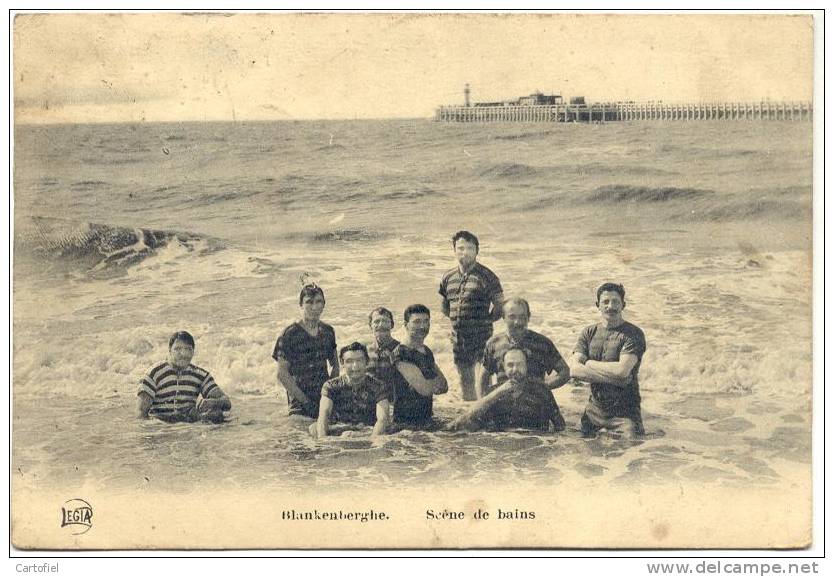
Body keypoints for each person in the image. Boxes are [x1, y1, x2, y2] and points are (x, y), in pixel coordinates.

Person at [568, 282, 647, 438]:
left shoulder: (633, 334)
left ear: (623, 304)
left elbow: (622, 371)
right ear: (598, 305)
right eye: (605, 302)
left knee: (629, 454)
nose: (610, 306)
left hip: (625, 415)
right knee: (581, 455)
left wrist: (589, 364)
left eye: (615, 301)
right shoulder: (589, 332)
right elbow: (574, 369)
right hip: (593, 412)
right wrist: (617, 380)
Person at [480, 297, 569, 429]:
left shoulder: (542, 343)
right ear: (503, 317)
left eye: (522, 316)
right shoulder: (494, 343)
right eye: (512, 317)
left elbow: (564, 372)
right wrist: (483, 404)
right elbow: (483, 377)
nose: (517, 322)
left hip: (535, 412)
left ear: (529, 317)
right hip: (502, 410)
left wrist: (543, 389)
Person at [439, 231, 504, 401]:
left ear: (477, 251)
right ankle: (469, 414)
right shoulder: (447, 277)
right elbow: (445, 307)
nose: (465, 252)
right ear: (454, 250)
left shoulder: (487, 276)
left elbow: (499, 305)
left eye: (469, 248)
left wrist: (485, 321)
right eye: (460, 248)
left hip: (482, 336)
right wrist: (458, 321)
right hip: (459, 338)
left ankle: (485, 414)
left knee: (483, 380)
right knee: (465, 380)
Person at [448, 347, 561, 432]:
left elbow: (560, 426)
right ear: (504, 367)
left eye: (520, 364)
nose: (515, 369)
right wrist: (500, 391)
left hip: (534, 447)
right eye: (510, 365)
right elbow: (469, 418)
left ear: (527, 366)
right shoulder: (495, 391)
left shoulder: (542, 391)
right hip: (503, 451)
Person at [273, 284, 339, 419]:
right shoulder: (289, 334)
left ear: (324, 305)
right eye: (309, 302)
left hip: (324, 397)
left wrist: (330, 391)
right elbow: (282, 374)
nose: (314, 307)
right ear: (301, 305)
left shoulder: (328, 331)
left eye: (318, 301)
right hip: (299, 403)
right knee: (302, 437)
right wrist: (306, 402)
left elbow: (335, 365)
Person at [137, 331, 231, 423]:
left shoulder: (200, 375)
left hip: (187, 429)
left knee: (218, 416)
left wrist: (213, 402)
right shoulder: (154, 374)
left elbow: (226, 402)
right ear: (169, 350)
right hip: (160, 428)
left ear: (193, 352)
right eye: (177, 349)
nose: (183, 354)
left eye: (188, 349)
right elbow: (141, 416)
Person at [312, 342, 392, 438]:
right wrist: (323, 442)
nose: (355, 366)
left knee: (392, 430)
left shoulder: (379, 386)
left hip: (367, 430)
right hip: (339, 429)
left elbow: (383, 419)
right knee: (313, 428)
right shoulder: (331, 386)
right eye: (349, 361)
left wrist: (371, 441)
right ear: (342, 363)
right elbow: (323, 416)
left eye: (359, 360)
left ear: (366, 362)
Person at [391, 304, 448, 427]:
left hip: (426, 420)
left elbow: (444, 387)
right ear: (406, 325)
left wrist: (426, 381)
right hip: (405, 425)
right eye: (417, 322)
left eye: (426, 321)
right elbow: (425, 390)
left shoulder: (426, 351)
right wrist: (432, 381)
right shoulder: (400, 353)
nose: (422, 326)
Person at [365, 307, 400, 387]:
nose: (381, 325)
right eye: (376, 321)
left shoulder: (402, 350)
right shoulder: (364, 351)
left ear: (392, 325)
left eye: (385, 321)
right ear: (370, 326)